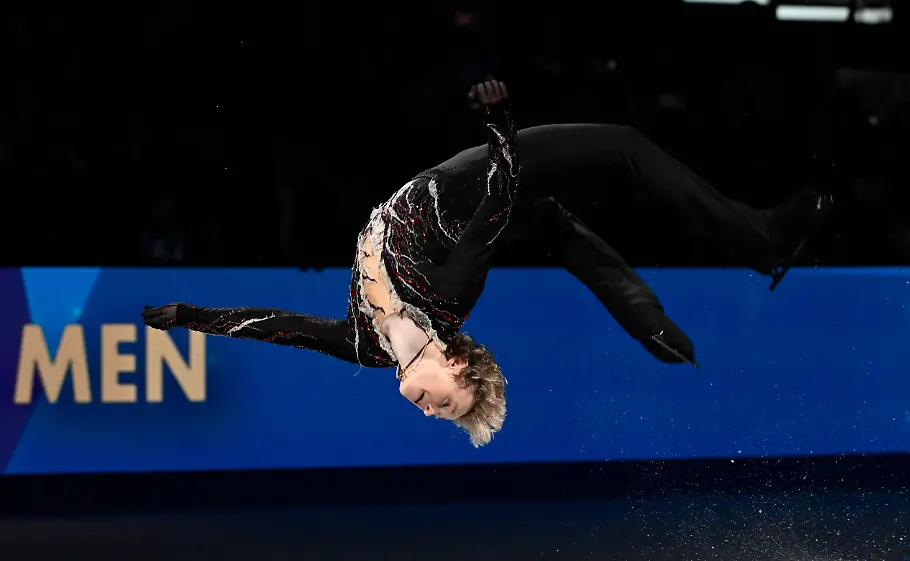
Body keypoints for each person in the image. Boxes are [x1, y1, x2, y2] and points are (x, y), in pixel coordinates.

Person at [143, 79, 833, 447]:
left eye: (439, 415)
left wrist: (189, 317)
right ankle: (758, 242)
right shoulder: (448, 298)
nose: (430, 412)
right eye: (448, 405)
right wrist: (502, 130)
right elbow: (498, 206)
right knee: (618, 151)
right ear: (457, 362)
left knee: (563, 227)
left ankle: (653, 312)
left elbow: (274, 326)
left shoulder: (365, 346)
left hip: (484, 198)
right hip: (475, 189)